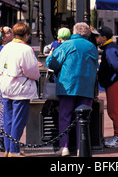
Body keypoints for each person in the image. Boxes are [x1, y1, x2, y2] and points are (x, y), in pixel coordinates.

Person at [46, 22, 98, 157]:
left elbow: (53, 64)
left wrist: (50, 56)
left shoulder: (67, 45)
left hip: (68, 86)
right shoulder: (92, 47)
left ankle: (64, 147)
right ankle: (82, 147)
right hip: (86, 87)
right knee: (83, 118)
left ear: (74, 32)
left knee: (65, 116)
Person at [0, 21, 40, 157]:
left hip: (6, 86)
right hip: (20, 89)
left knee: (8, 120)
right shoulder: (25, 49)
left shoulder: (6, 48)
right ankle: (14, 150)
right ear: (26, 35)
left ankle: (8, 149)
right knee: (18, 121)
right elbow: (31, 70)